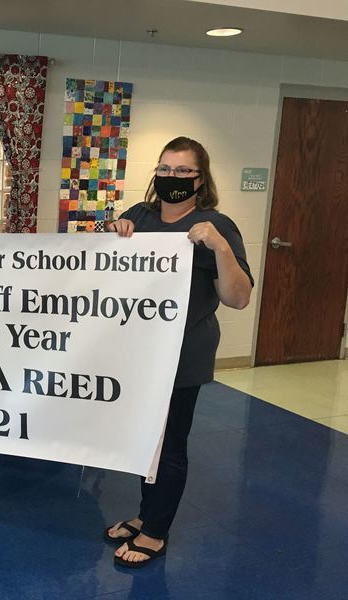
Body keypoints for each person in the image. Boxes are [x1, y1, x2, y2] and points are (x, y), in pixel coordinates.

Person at [104, 136, 253, 567]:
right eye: (165, 169)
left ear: (200, 179)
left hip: (182, 352)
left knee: (169, 442)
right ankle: (146, 514)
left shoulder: (216, 224)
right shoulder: (141, 214)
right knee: (145, 438)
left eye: (183, 171)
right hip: (138, 351)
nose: (172, 177)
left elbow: (238, 297)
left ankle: (155, 533)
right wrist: (113, 234)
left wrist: (219, 247)